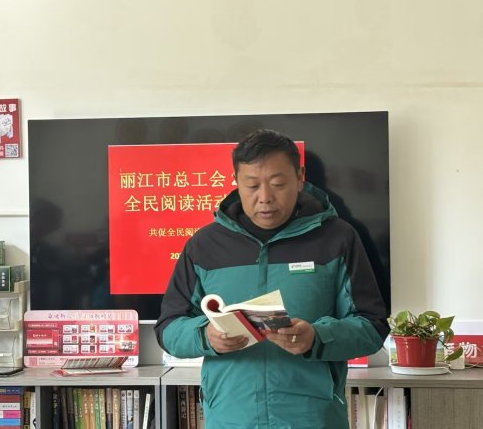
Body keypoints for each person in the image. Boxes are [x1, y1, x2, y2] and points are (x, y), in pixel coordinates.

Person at [154, 129, 389, 429]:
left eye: (278, 184)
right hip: (231, 418)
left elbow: (372, 326)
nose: (265, 198)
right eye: (252, 185)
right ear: (236, 181)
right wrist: (205, 337)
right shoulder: (204, 245)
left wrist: (316, 338)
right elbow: (168, 328)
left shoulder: (338, 238)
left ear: (300, 178)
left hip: (313, 418)